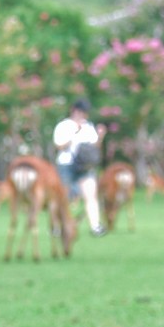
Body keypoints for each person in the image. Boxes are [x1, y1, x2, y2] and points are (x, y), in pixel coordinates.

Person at [54, 98, 105, 236]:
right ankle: (59, 226)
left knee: (90, 196)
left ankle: (95, 226)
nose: (82, 115)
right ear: (73, 111)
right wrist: (73, 135)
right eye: (80, 112)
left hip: (85, 165)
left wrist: (100, 136)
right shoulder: (64, 126)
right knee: (63, 197)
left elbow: (95, 147)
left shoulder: (89, 127)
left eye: (84, 113)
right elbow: (59, 146)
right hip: (66, 164)